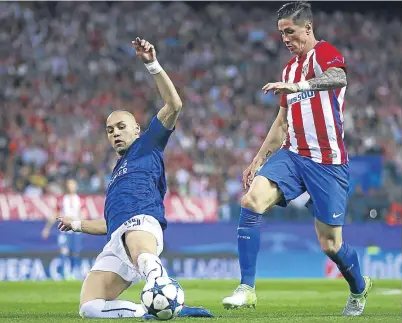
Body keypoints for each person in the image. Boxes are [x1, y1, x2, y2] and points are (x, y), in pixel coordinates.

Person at [222, 2, 372, 316]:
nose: (285, 39)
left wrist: (300, 86)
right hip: (292, 155)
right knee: (251, 202)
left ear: (307, 28)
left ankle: (359, 287)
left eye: (290, 32)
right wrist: (257, 160)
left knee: (330, 245)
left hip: (327, 163)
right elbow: (281, 123)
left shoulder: (324, 53)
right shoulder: (288, 70)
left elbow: (338, 78)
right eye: (281, 34)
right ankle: (246, 288)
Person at [58, 37, 212, 319]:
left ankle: (163, 287)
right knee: (89, 308)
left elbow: (174, 104)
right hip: (118, 239)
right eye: (109, 130)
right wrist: (76, 224)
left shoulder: (148, 144)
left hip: (143, 225)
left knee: (141, 252)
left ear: (137, 129)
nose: (114, 133)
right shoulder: (117, 174)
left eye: (120, 127)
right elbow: (111, 223)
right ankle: (152, 310)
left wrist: (152, 64)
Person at [42, 179, 83, 279]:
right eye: (69, 184)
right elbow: (55, 214)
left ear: (76, 186)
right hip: (64, 229)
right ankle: (65, 273)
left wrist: (85, 227)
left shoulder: (80, 200)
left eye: (73, 184)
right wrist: (47, 228)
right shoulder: (62, 199)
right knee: (64, 250)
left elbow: (83, 215)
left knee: (75, 252)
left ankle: (74, 273)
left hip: (76, 230)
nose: (71, 186)